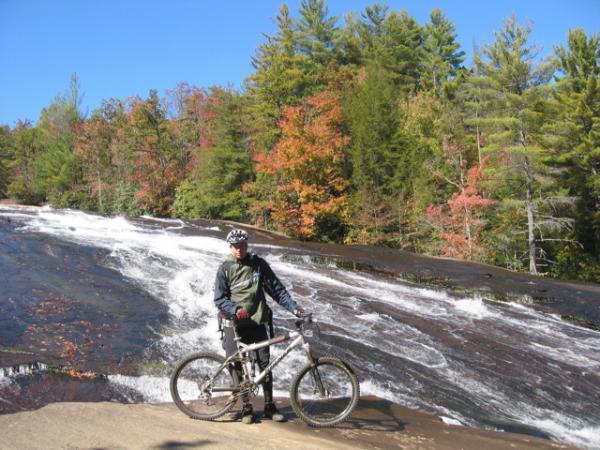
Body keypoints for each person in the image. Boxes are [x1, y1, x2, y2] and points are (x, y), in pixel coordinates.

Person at [214, 228, 303, 424]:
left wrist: (295, 309)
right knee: (236, 365)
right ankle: (246, 408)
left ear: (247, 245)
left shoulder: (258, 265)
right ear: (230, 247)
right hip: (233, 325)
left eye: (242, 245)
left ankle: (270, 406)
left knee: (265, 364)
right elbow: (219, 299)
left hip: (257, 322)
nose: (239, 249)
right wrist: (235, 308)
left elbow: (277, 290)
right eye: (235, 246)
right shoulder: (225, 269)